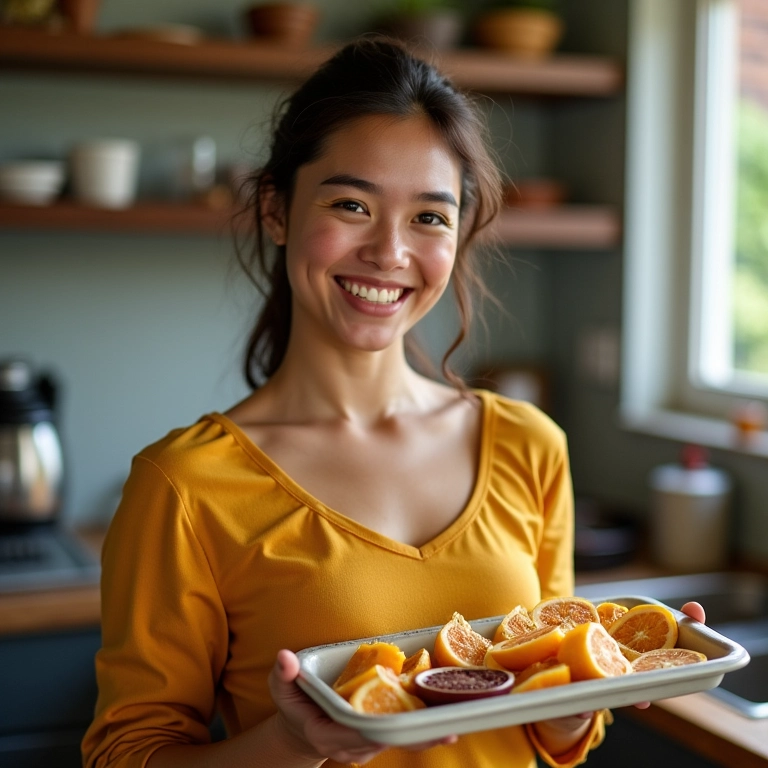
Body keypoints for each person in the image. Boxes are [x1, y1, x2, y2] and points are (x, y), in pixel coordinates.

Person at [81, 37, 706, 768]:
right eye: (352, 204)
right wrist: (291, 740)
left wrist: (588, 697)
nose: (389, 251)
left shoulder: (529, 445)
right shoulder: (184, 486)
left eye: (429, 217)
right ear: (278, 211)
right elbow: (128, 756)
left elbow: (551, 717)